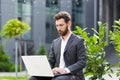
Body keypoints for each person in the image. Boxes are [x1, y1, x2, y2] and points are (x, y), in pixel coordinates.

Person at [29, 11, 86, 80]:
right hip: (57, 75)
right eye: (57, 25)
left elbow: (82, 62)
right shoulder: (55, 42)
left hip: (73, 76)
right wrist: (42, 70)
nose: (59, 28)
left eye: (61, 25)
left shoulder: (78, 41)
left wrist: (65, 70)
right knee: (33, 78)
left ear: (69, 24)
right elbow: (51, 61)